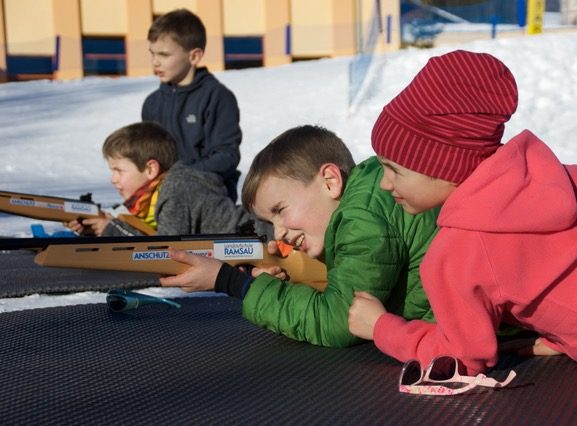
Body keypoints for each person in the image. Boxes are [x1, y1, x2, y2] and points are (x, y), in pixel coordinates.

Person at [348, 50, 577, 376]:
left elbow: (459, 358)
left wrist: (380, 327)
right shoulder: (538, 180)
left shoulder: (461, 250)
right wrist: (567, 336)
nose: (386, 184)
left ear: (442, 166)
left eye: (394, 169)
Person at [159, 125, 440, 347]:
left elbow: (339, 323)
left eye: (280, 210)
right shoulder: (368, 197)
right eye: (270, 221)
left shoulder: (362, 220)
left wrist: (234, 283)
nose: (279, 231)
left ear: (330, 181)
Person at [65, 122, 265, 237]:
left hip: (257, 235)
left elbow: (165, 251)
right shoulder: (149, 199)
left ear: (151, 169)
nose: (113, 180)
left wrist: (111, 229)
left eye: (119, 171)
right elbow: (143, 232)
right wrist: (97, 229)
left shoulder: (175, 190)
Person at [142, 9, 242, 202]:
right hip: (163, 200)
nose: (155, 62)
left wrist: (180, 176)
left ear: (194, 56)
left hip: (208, 199)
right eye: (152, 53)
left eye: (164, 54)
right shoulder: (152, 103)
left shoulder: (217, 97)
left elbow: (226, 155)